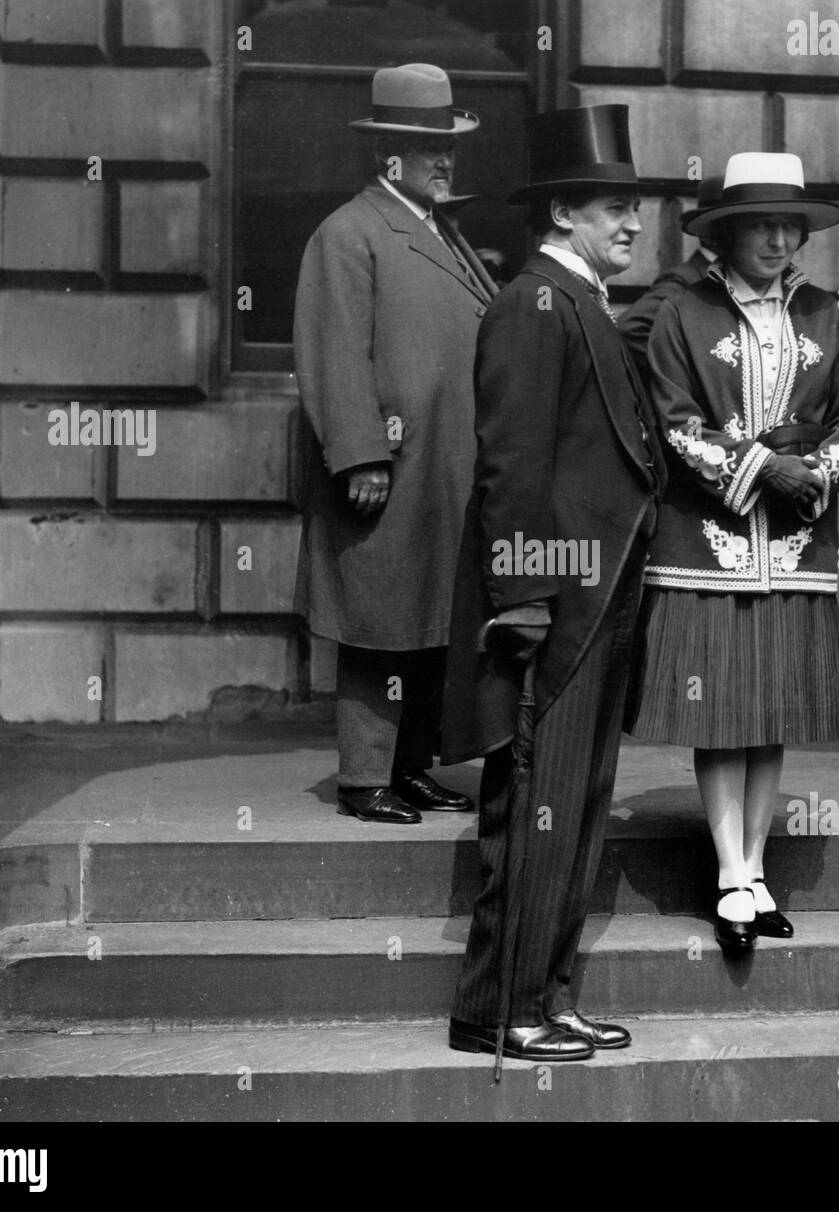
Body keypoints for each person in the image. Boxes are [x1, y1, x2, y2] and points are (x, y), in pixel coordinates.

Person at [441, 105, 666, 1063]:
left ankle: (549, 998)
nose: (632, 225)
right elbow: (511, 465)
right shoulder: (532, 304)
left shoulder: (580, 304)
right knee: (536, 810)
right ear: (564, 212)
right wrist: (522, 598)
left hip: (600, 598)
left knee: (573, 809)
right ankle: (499, 1012)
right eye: (614, 207)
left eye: (634, 209)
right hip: (557, 609)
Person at [625, 152, 839, 953]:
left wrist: (820, 470)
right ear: (726, 233)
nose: (777, 239)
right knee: (720, 711)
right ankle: (730, 870)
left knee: (769, 717)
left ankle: (756, 868)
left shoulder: (827, 316)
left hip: (796, 546)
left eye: (790, 225)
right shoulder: (683, 314)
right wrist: (764, 467)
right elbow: (674, 423)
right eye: (761, 225)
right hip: (707, 542)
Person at [293, 64, 497, 825]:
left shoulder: (435, 227)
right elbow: (332, 351)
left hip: (445, 468)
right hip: (390, 467)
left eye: (448, 146)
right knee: (378, 621)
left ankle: (410, 767)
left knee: (428, 621)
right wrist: (359, 455)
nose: (444, 159)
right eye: (426, 147)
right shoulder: (349, 233)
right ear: (386, 153)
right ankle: (363, 777)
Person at [618, 173, 724, 381]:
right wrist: (686, 379)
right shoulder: (684, 280)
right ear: (705, 232)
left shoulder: (727, 280)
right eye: (730, 225)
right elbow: (629, 330)